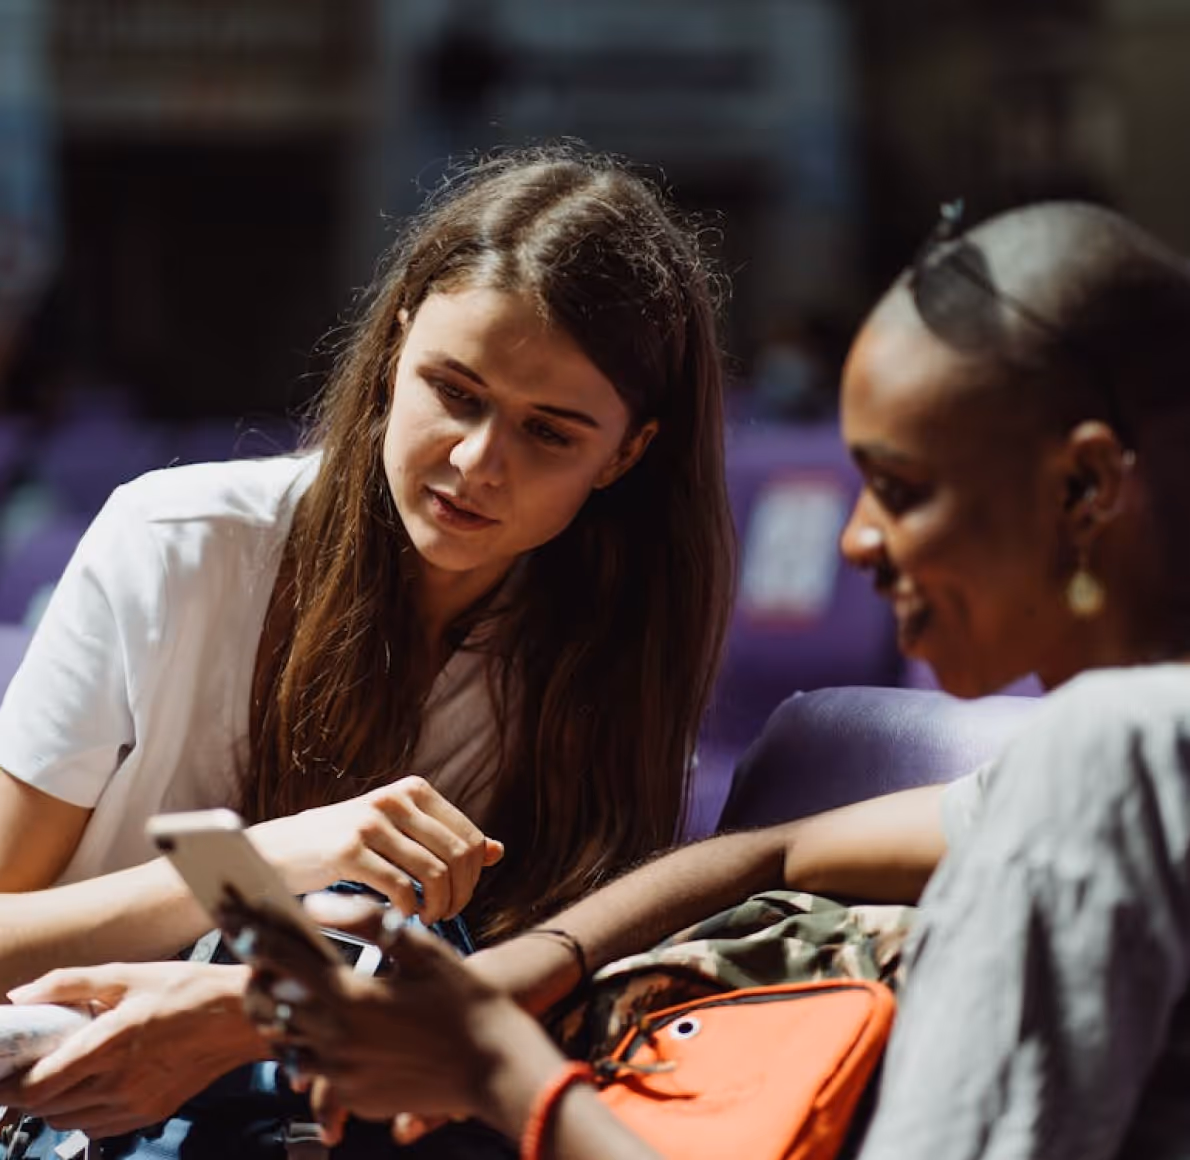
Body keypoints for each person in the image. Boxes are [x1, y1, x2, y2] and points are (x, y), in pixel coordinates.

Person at [233, 199, 1190, 1160]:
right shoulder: (1125, 758)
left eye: (898, 490)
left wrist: (498, 1075)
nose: (855, 539)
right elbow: (783, 850)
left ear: (1084, 487)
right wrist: (528, 968)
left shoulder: (1115, 757)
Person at [0, 145, 735, 1147]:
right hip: (63, 1112)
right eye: (455, 390)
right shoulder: (173, 543)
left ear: (628, 453)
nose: (477, 462)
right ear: (395, 346)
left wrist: (254, 1005)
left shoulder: (611, 634)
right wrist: (276, 855)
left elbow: (543, 989)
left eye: (549, 433)